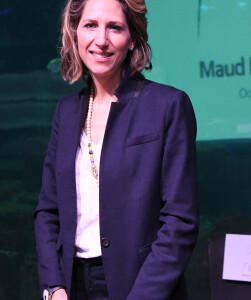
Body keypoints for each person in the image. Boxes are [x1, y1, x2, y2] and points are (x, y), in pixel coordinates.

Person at [34, 0, 199, 299]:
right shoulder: (66, 112)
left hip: (141, 286)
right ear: (75, 32)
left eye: (115, 27)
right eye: (90, 25)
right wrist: (53, 286)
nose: (101, 40)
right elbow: (48, 211)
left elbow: (180, 221)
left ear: (132, 38)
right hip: (72, 285)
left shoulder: (168, 106)